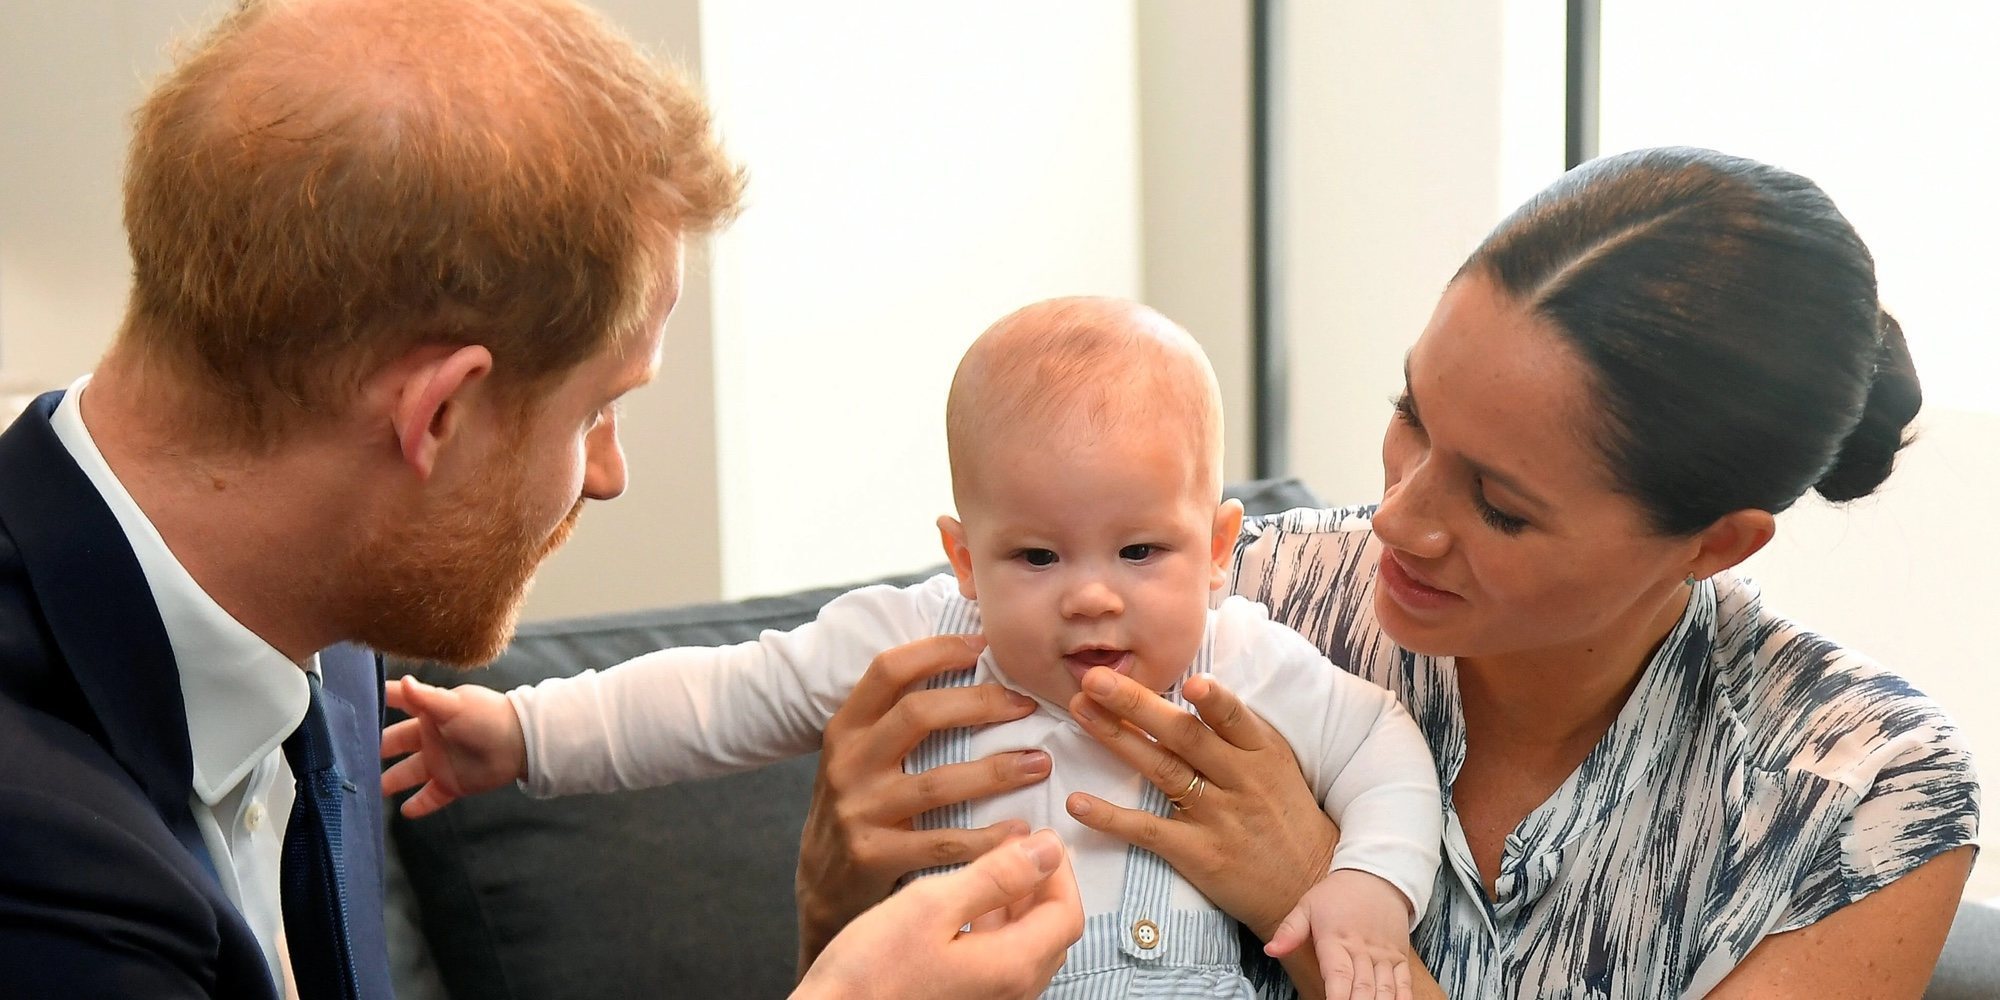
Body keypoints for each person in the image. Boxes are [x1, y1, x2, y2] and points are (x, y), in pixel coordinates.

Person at [0, 0, 1080, 998]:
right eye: (596, 411)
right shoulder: (48, 868)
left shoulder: (323, 634)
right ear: (438, 416)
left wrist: (828, 927)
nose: (608, 474)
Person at [791, 147, 1983, 999]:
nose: (1398, 521)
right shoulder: (1234, 595)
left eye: (1498, 505)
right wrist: (839, 895)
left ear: (1712, 543)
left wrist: (1310, 900)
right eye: (1410, 415)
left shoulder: (1857, 795)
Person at [380, 296, 1446, 999]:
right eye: (1033, 556)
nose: (1088, 598)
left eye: (1137, 550)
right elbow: (718, 697)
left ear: (1215, 548)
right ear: (963, 560)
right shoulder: (917, 638)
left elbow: (1383, 752)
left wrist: (1362, 886)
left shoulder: (1246, 660)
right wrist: (523, 733)